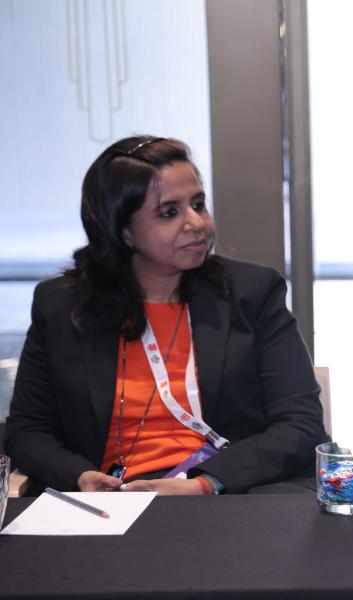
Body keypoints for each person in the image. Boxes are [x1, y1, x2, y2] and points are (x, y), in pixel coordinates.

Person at [4, 136, 328, 495]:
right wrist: (79, 476)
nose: (196, 222)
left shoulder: (252, 292)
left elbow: (301, 424)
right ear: (122, 230)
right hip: (112, 501)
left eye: (198, 204)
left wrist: (205, 483)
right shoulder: (63, 305)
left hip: (229, 492)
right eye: (169, 212)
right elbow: (28, 431)